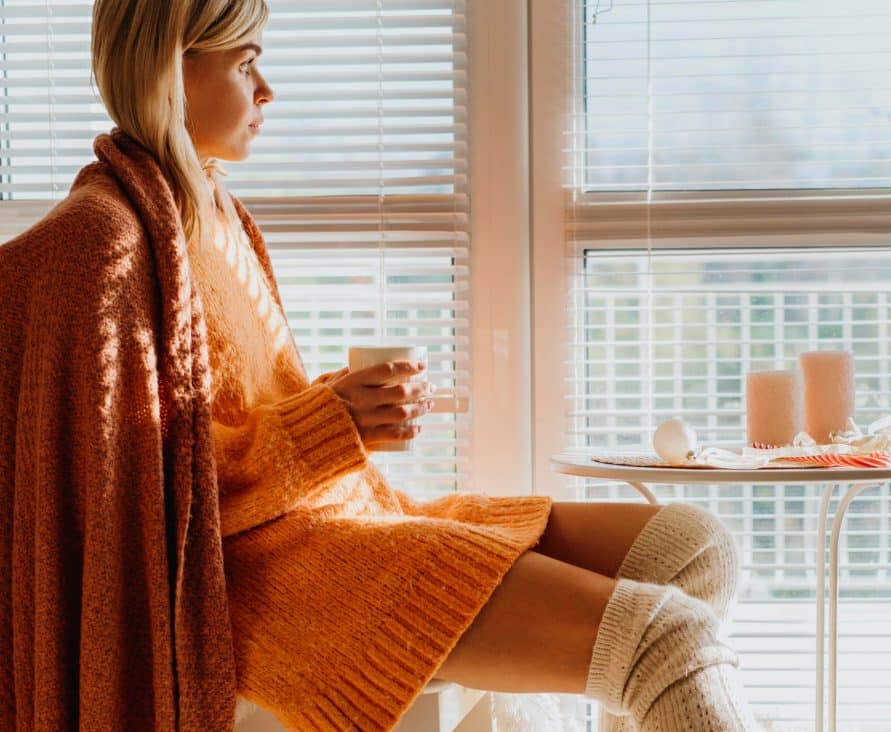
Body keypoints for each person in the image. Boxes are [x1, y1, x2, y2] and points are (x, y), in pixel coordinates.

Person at [0, 1, 760, 730]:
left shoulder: (214, 210)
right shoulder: (104, 237)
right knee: (668, 641)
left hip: (344, 521)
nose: (267, 90)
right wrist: (330, 423)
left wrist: (340, 409)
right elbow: (135, 503)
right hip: (264, 581)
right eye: (247, 63)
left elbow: (222, 418)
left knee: (697, 548)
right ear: (170, 68)